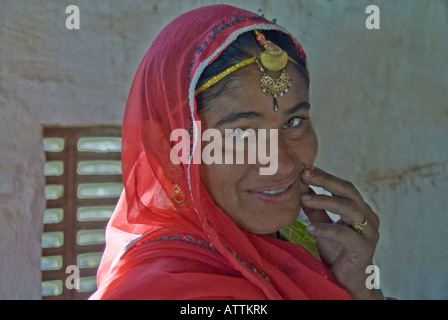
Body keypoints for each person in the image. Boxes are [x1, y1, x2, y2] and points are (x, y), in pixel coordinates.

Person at [90, 4, 383, 300]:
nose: (280, 164)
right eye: (241, 133)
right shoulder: (159, 291)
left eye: (294, 122)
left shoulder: (298, 242)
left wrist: (357, 288)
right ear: (171, 149)